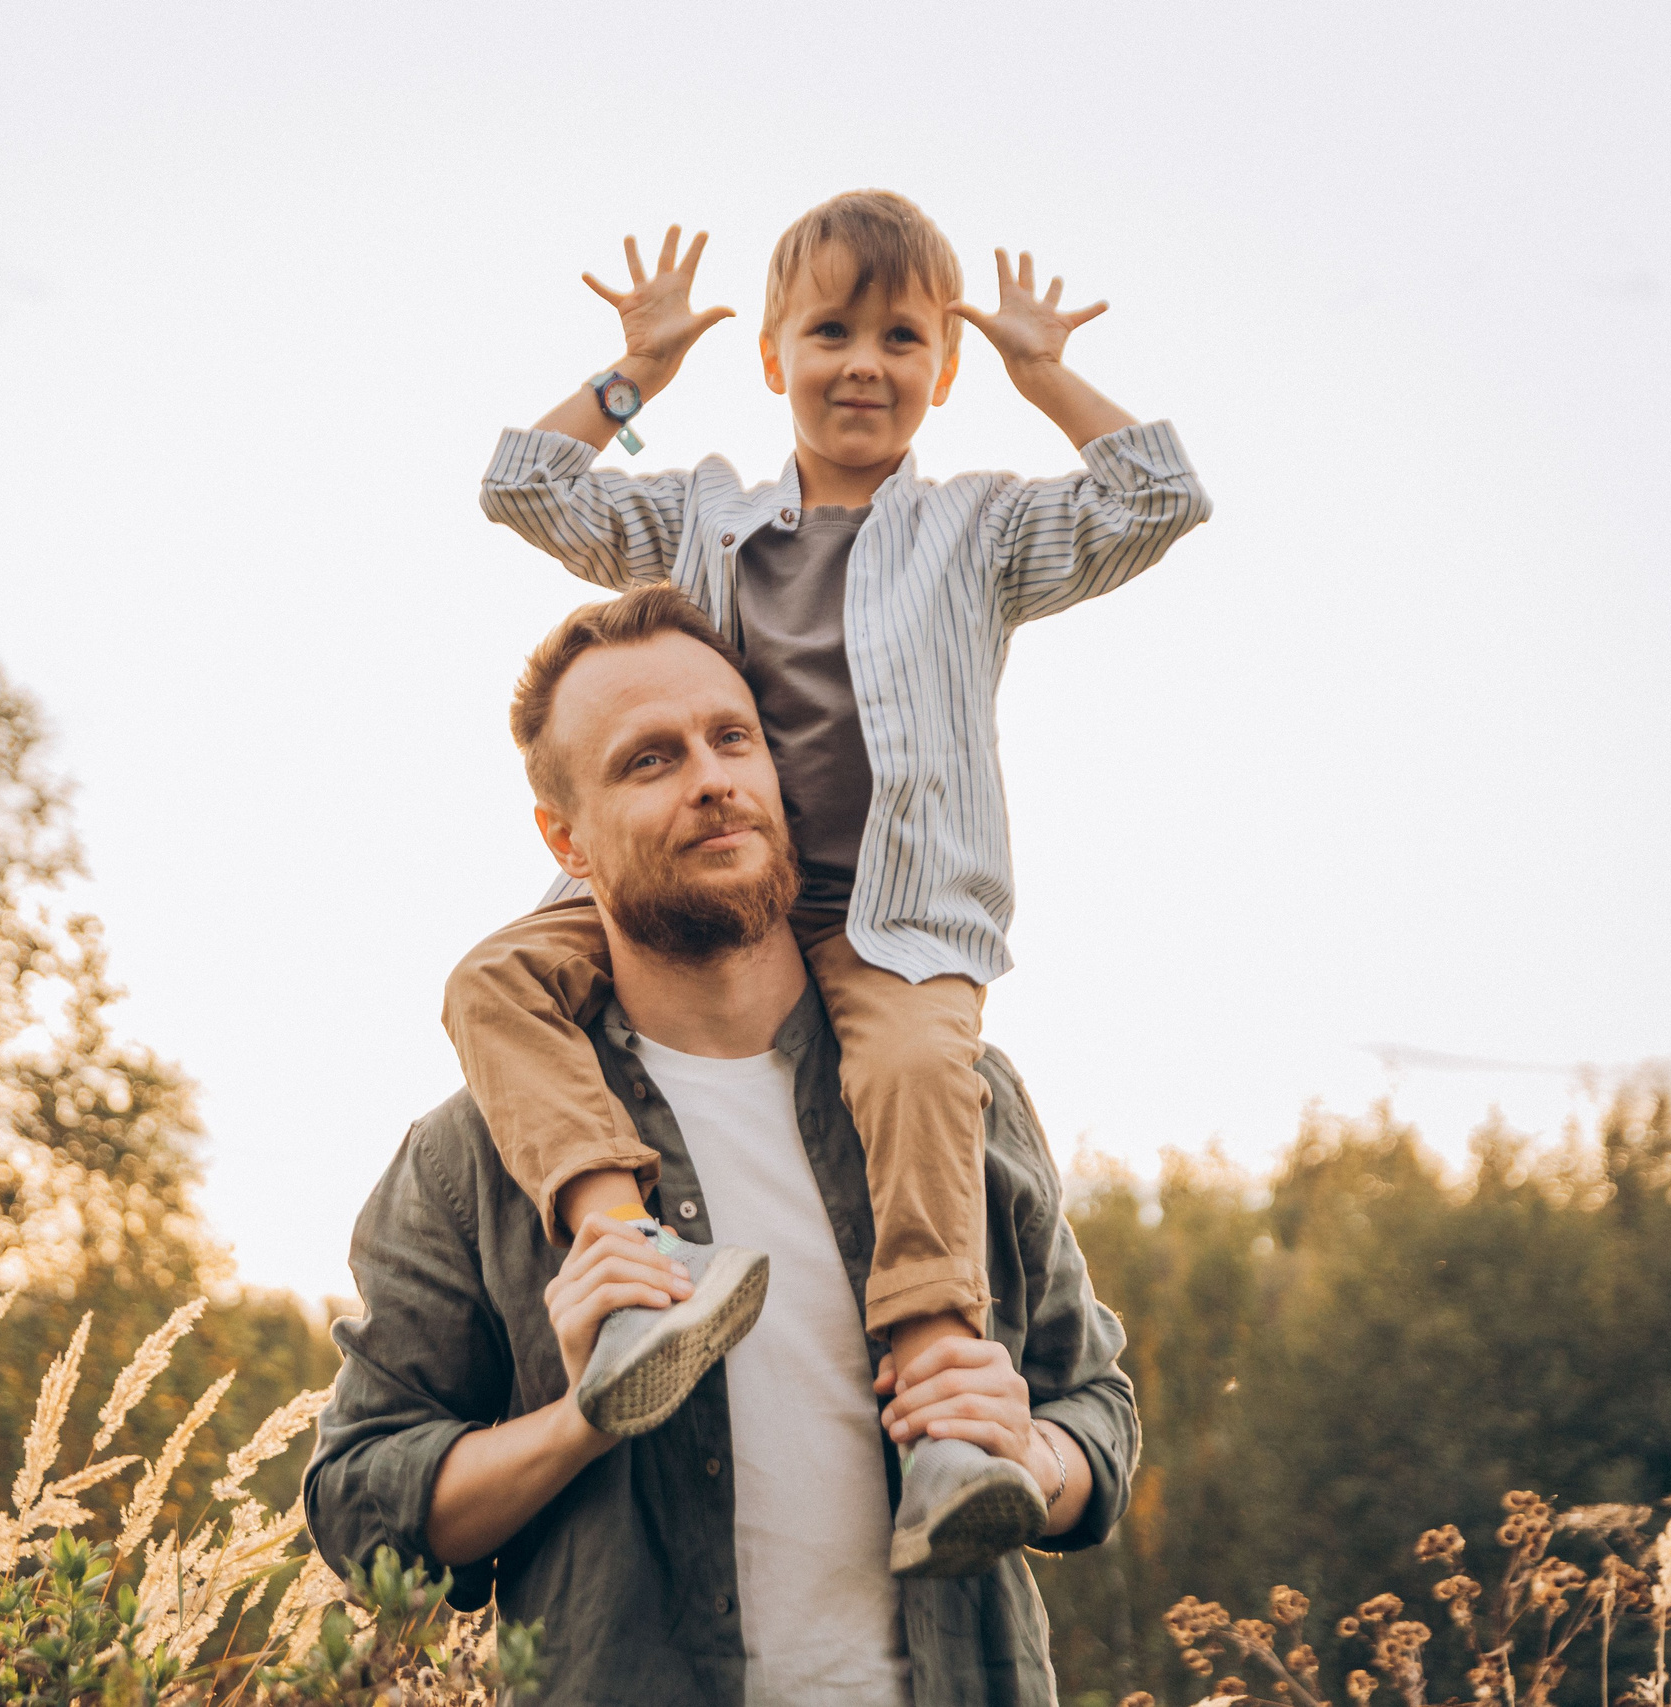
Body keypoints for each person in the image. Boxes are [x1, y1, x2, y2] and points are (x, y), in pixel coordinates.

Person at [446, 189, 1207, 1575]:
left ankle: (944, 1422)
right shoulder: (699, 519)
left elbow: (1159, 497)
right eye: (831, 329)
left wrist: (1047, 374)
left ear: (943, 370)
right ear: (774, 354)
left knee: (920, 1078)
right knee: (493, 978)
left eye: (902, 335)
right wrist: (638, 375)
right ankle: (630, 1268)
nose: (865, 361)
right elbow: (522, 486)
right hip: (710, 883)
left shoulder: (971, 536)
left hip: (892, 914)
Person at [306, 587, 1138, 1705]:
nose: (712, 778)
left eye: (730, 737)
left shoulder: (950, 1092)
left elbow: (1094, 1407)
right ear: (567, 840)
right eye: (648, 760)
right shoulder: (470, 1160)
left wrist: (1030, 1454)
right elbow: (361, 1505)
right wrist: (580, 1420)